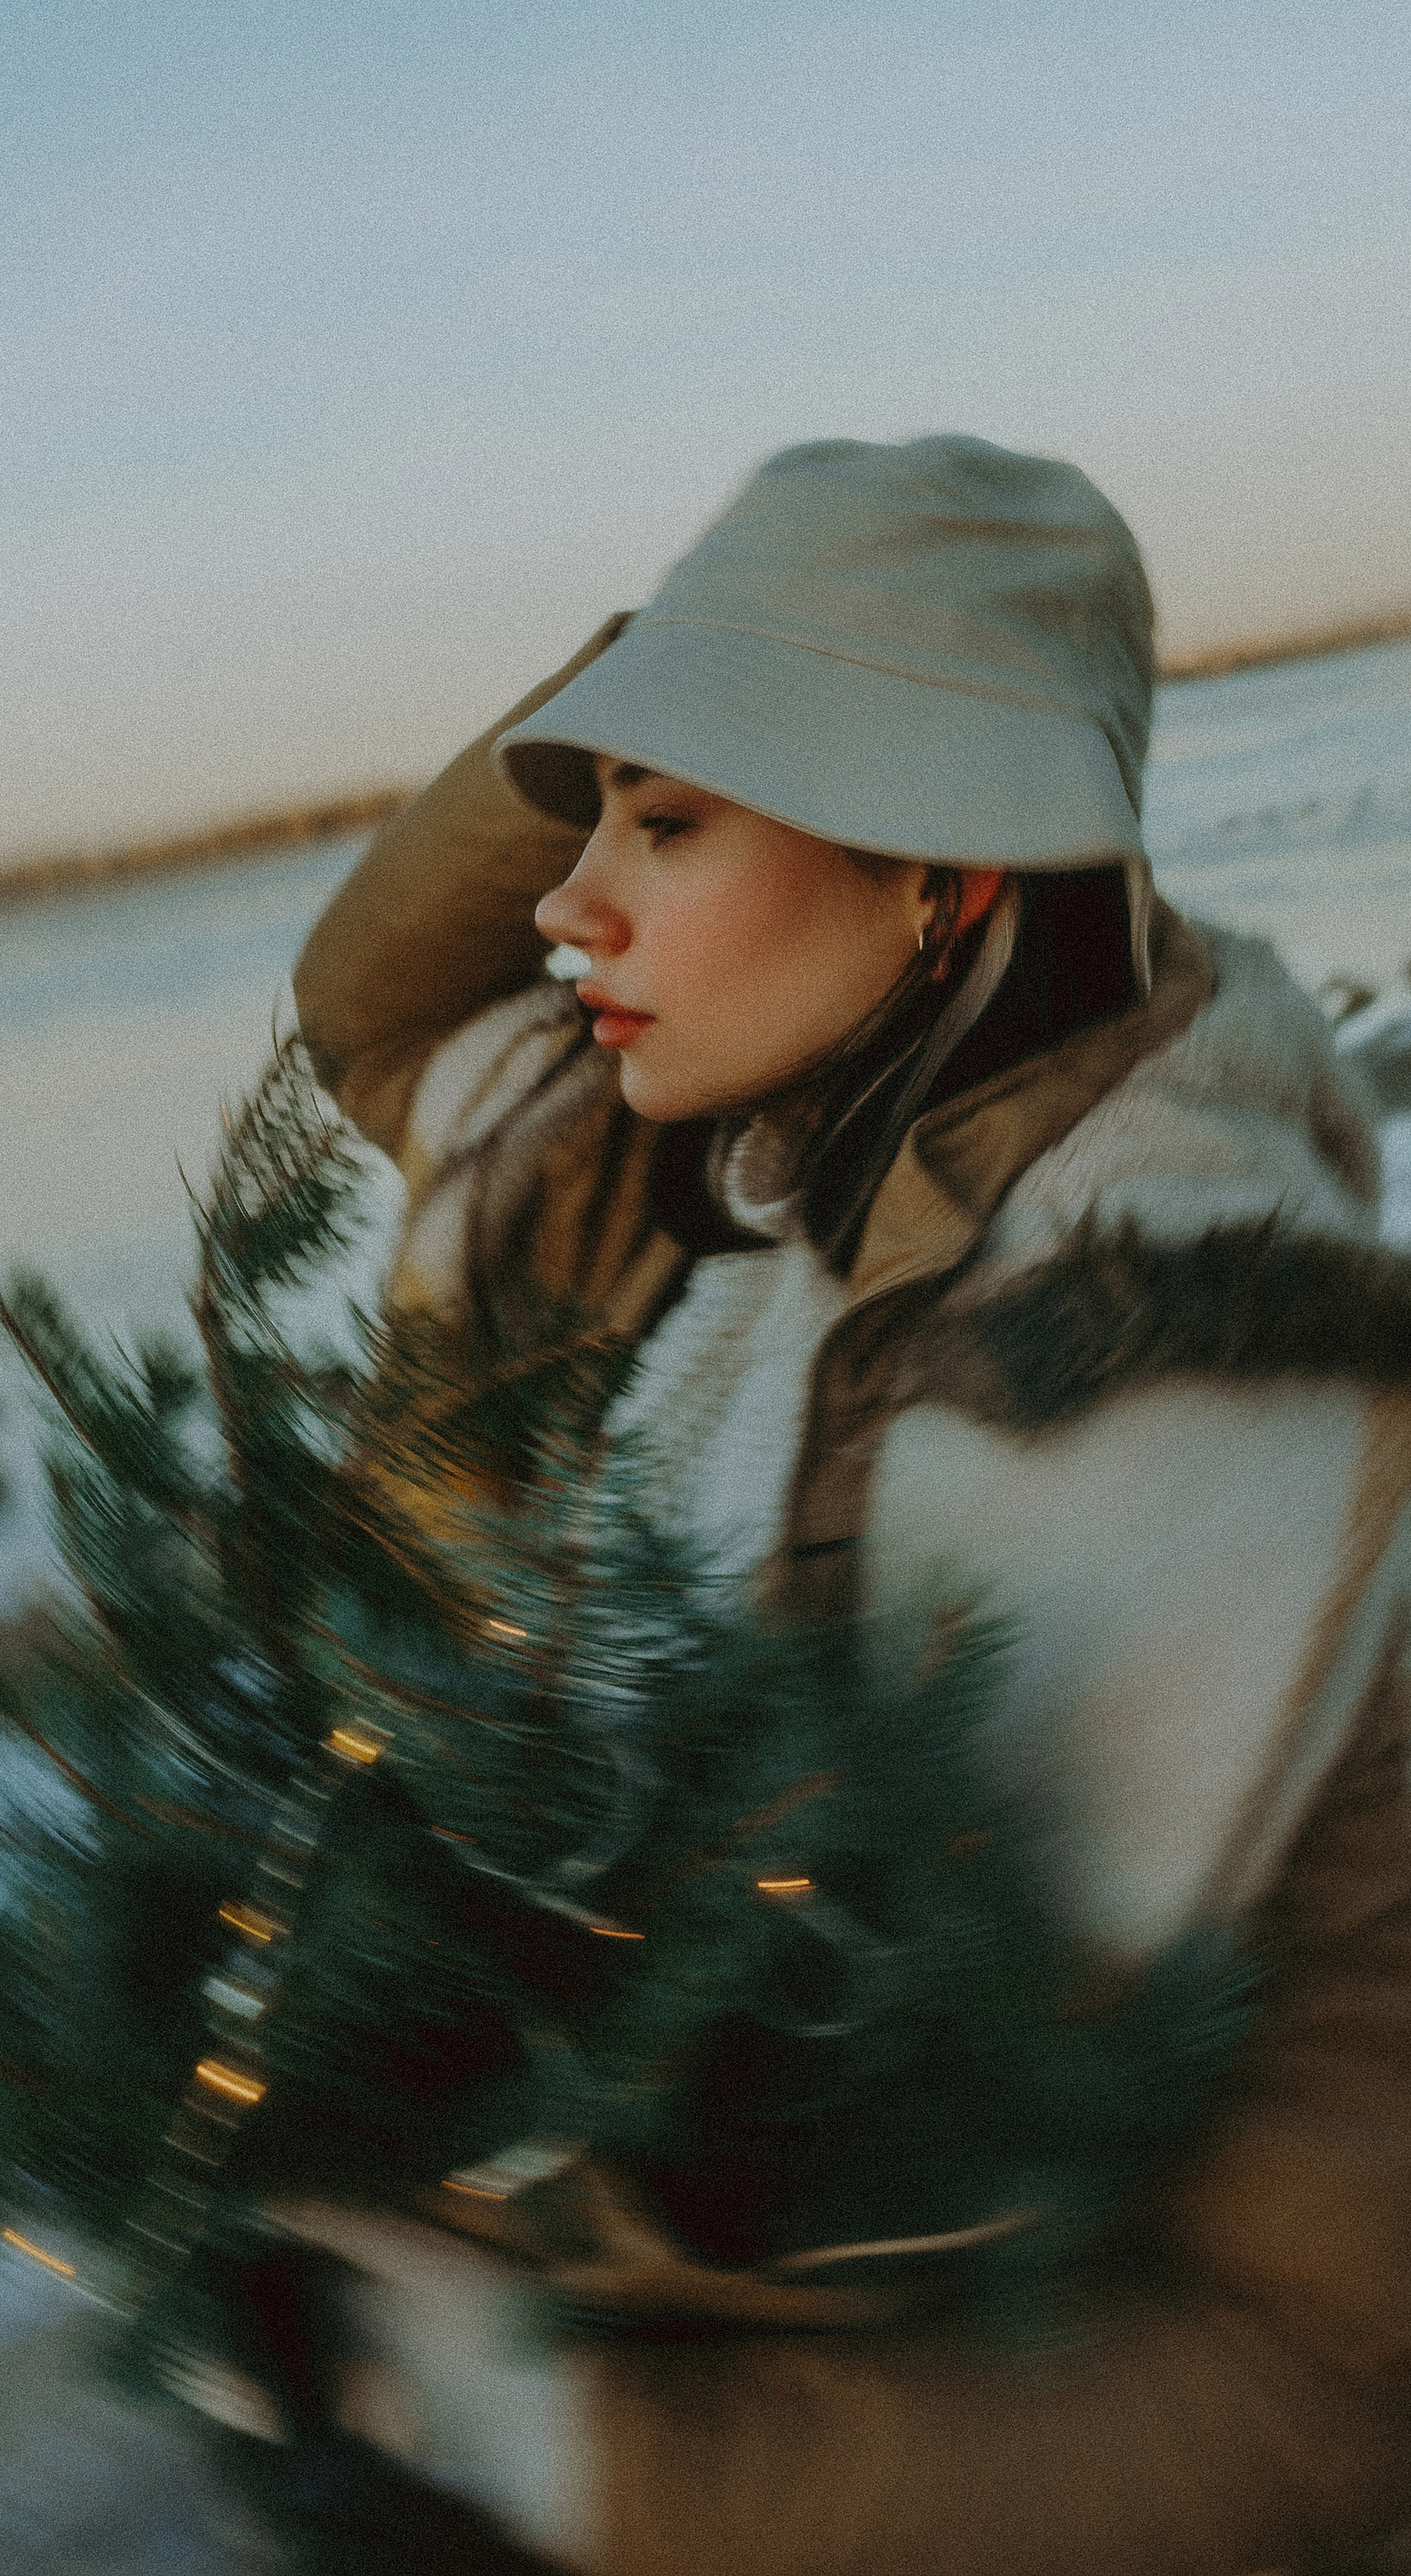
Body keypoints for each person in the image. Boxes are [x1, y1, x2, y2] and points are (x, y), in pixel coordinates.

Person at [275, 436, 1411, 2574]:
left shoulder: (1290, 1464)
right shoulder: (757, 1219)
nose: (560, 902)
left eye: (668, 819)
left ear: (944, 875)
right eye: (593, 805)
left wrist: (596, 2469)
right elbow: (376, 1005)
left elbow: (1332, 2387)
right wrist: (711, 645)